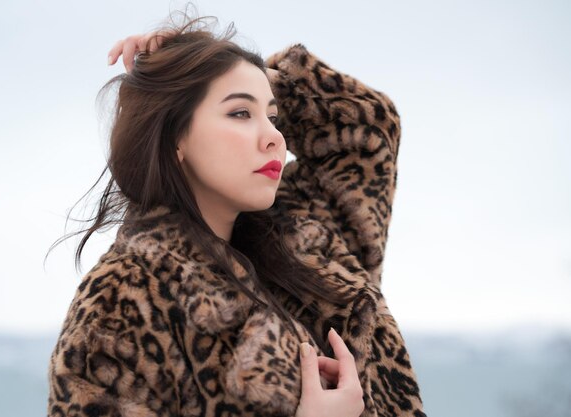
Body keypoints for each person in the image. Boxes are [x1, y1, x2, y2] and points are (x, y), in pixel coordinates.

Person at [47, 15, 426, 417]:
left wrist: (216, 64)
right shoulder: (117, 306)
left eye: (273, 117)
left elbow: (369, 128)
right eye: (241, 114)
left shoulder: (307, 237)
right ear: (175, 136)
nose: (275, 137)